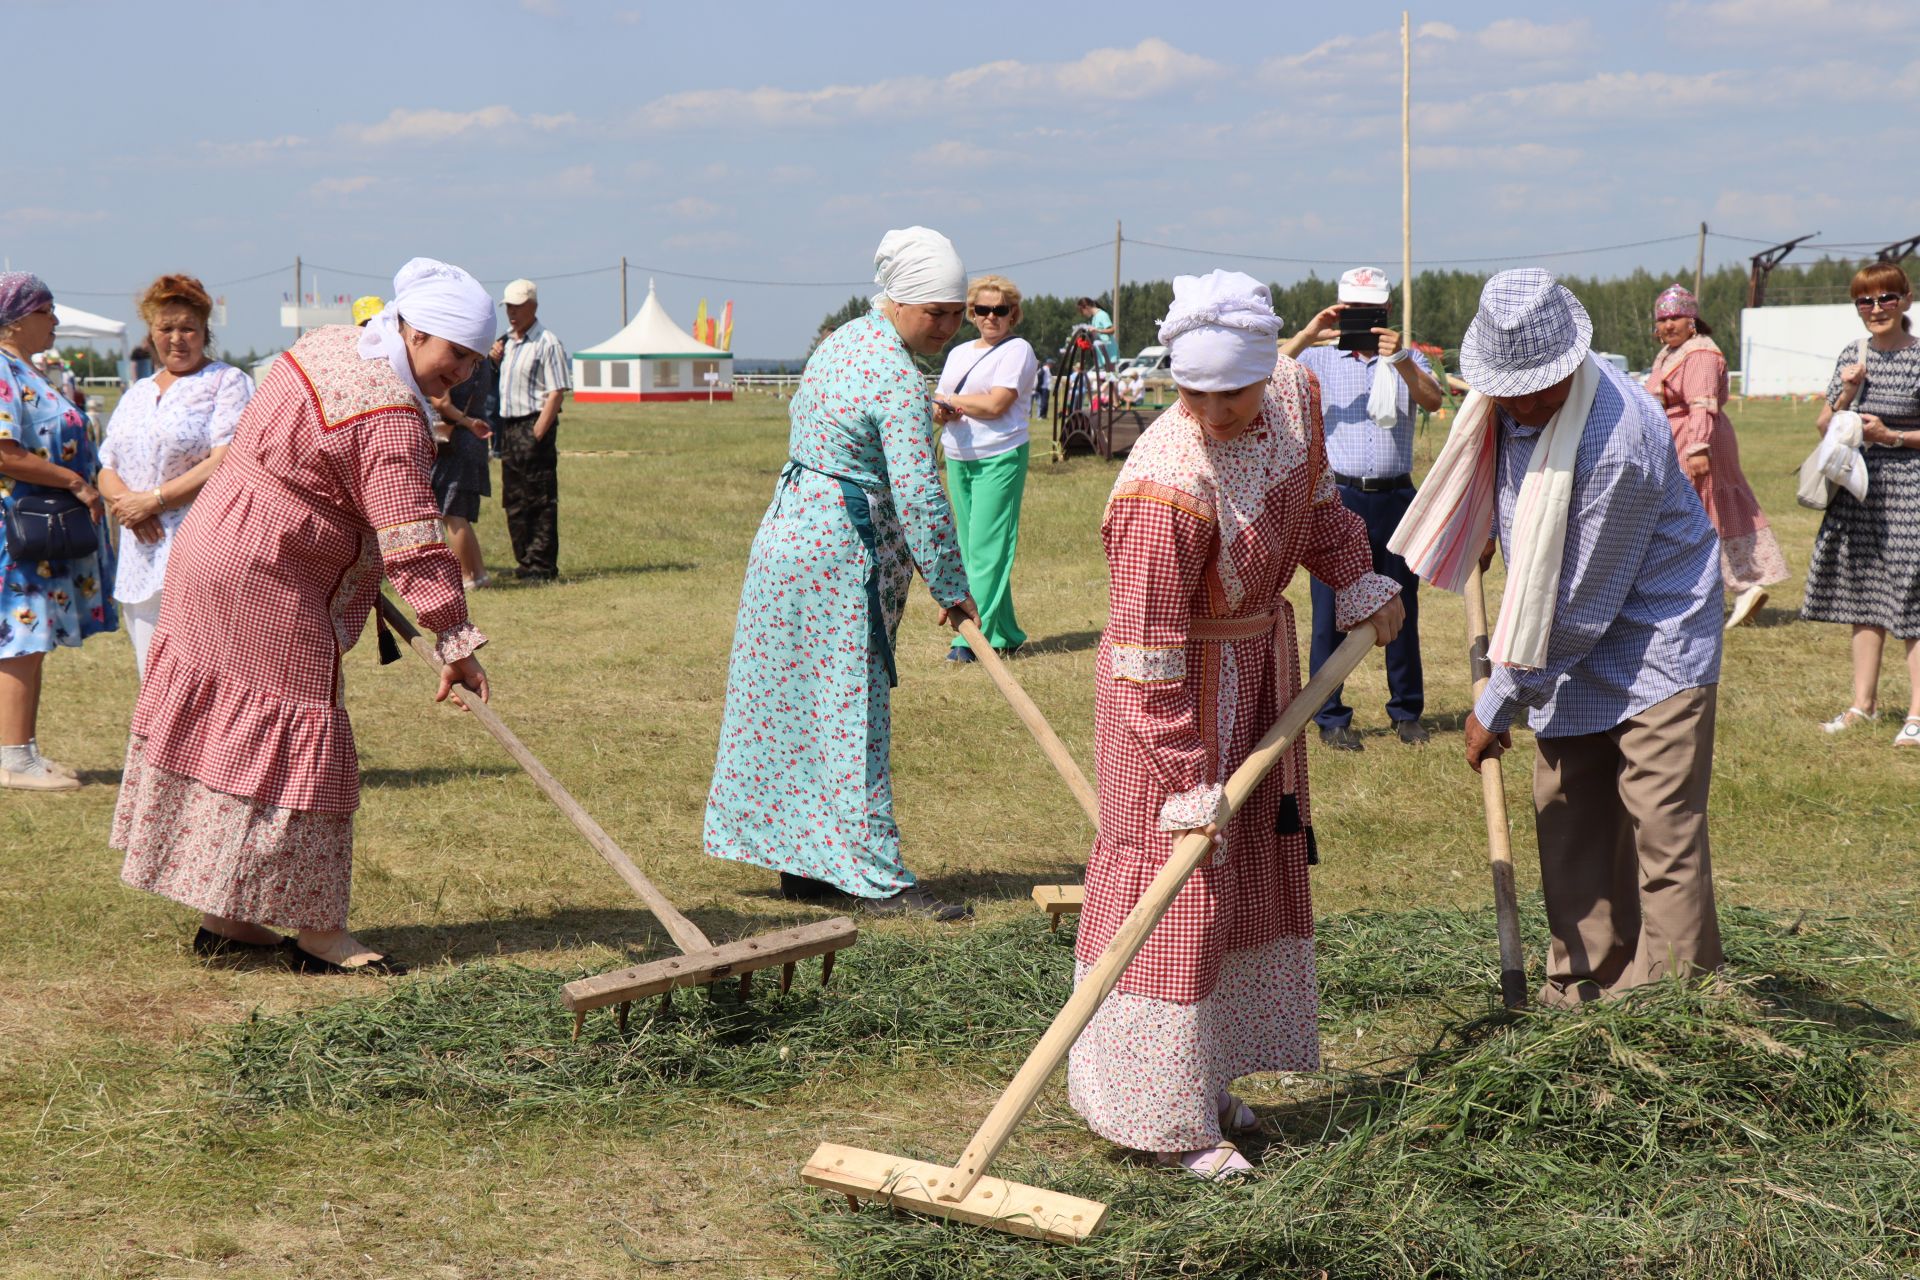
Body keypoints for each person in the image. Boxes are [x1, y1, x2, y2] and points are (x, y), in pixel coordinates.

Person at [1070, 271, 1403, 1178]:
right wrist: (1186, 779)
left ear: (1267, 372)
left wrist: (1360, 580)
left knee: (1246, 867)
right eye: (1192, 393)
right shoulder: (1162, 488)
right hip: (1170, 704)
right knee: (1177, 886)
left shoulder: (1295, 396)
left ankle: (1206, 1078)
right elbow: (1146, 662)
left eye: (1232, 392)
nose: (1213, 411)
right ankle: (1157, 1115)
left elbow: (1318, 511)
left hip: (1256, 672)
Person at [114, 257, 493, 972]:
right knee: (299, 739)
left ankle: (230, 919)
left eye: (474, 358)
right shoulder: (388, 415)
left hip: (214, 545)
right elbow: (413, 538)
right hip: (267, 576)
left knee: (238, 731)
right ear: (412, 332)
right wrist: (455, 639)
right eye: (455, 352)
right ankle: (319, 932)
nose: (463, 372)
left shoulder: (328, 343)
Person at [1392, 268, 1725, 1007]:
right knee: (1570, 810)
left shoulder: (1621, 439)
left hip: (1653, 642)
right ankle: (1580, 984)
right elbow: (1526, 508)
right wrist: (1482, 523)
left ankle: (1670, 1015)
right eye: (1511, 389)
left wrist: (1496, 702)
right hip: (1561, 643)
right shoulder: (1508, 406)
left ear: (1573, 363)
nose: (1523, 405)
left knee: (1660, 829)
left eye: (1539, 388)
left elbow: (1576, 606)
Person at [703, 227, 980, 921]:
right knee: (845, 709)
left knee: (790, 706)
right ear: (899, 300)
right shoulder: (893, 375)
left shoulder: (843, 339)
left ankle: (803, 864)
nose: (948, 327)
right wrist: (952, 587)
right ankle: (874, 877)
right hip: (836, 555)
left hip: (789, 535)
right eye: (936, 313)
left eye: (957, 312)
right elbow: (920, 494)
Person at [1283, 266, 1444, 750]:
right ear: (1339, 308)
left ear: (1387, 311)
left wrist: (1402, 363)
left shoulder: (1407, 358)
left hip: (1396, 496)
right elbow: (1264, 373)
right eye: (1352, 311)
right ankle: (1330, 715)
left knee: (1403, 605)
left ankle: (1406, 711)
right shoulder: (1317, 359)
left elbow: (1434, 401)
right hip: (1340, 498)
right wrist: (1310, 332)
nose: (1361, 319)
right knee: (1331, 611)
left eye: (1369, 311)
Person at [97, 274, 253, 676]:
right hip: (138, 552)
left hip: (198, 547)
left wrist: (155, 499)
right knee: (151, 671)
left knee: (198, 672)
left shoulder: (226, 381)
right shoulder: (138, 392)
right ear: (151, 334)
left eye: (188, 328)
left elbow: (229, 456)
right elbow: (107, 465)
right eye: (166, 328)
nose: (177, 338)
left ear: (205, 331)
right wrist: (127, 505)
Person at [0, 273, 118, 792]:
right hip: (19, 530)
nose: (56, 321)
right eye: (48, 311)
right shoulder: (2, 370)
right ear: (19, 318)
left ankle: (21, 751)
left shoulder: (27, 370)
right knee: (21, 638)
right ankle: (13, 758)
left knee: (33, 637)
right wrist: (76, 482)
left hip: (38, 528)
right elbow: (3, 450)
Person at [1800, 263, 1920, 744]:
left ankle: (1917, 714)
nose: (1876, 309)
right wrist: (1848, 390)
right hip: (1859, 489)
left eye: (1886, 298)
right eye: (1865, 302)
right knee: (1865, 596)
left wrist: (1891, 436)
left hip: (1910, 489)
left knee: (1913, 599)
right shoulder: (1853, 354)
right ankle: (1862, 706)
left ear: (1906, 301)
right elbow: (1824, 424)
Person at [1645, 284, 1789, 630]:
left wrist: (1698, 449)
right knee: (1701, 511)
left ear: (1692, 319)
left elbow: (1702, 404)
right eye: (1663, 319)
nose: (1668, 325)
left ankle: (1736, 586)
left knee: (1705, 512)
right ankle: (1730, 588)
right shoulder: (1671, 353)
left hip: (1702, 441)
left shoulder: (1700, 355)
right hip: (1680, 439)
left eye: (1676, 317)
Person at [931, 273, 1038, 662]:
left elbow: (997, 405)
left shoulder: (1017, 350)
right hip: (960, 456)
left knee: (986, 547)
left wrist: (955, 402)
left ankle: (970, 639)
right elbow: (940, 406)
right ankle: (1006, 632)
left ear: (1013, 314)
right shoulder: (959, 353)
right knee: (969, 546)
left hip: (1000, 454)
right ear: (971, 314)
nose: (991, 317)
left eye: (1000, 310)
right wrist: (950, 407)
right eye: (982, 310)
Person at [493, 278, 569, 581]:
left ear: (533, 307)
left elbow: (557, 391)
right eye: (509, 307)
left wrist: (538, 432)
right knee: (514, 499)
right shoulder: (507, 342)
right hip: (509, 425)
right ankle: (524, 561)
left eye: (518, 307)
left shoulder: (546, 342)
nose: (512, 313)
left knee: (539, 497)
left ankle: (542, 565)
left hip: (533, 422)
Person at [430, 354, 495, 589]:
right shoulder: (483, 358)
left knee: (452, 514)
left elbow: (441, 403)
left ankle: (469, 576)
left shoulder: (454, 357)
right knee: (460, 514)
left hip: (456, 439)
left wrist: (468, 423)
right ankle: (479, 574)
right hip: (472, 441)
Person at [1078, 296, 1119, 369]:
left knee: (1110, 375)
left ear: (1086, 307)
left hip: (1109, 351)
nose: (1082, 314)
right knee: (1106, 375)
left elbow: (1112, 330)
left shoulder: (1102, 315)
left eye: (1082, 311)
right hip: (1102, 352)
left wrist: (1097, 330)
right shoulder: (1094, 318)